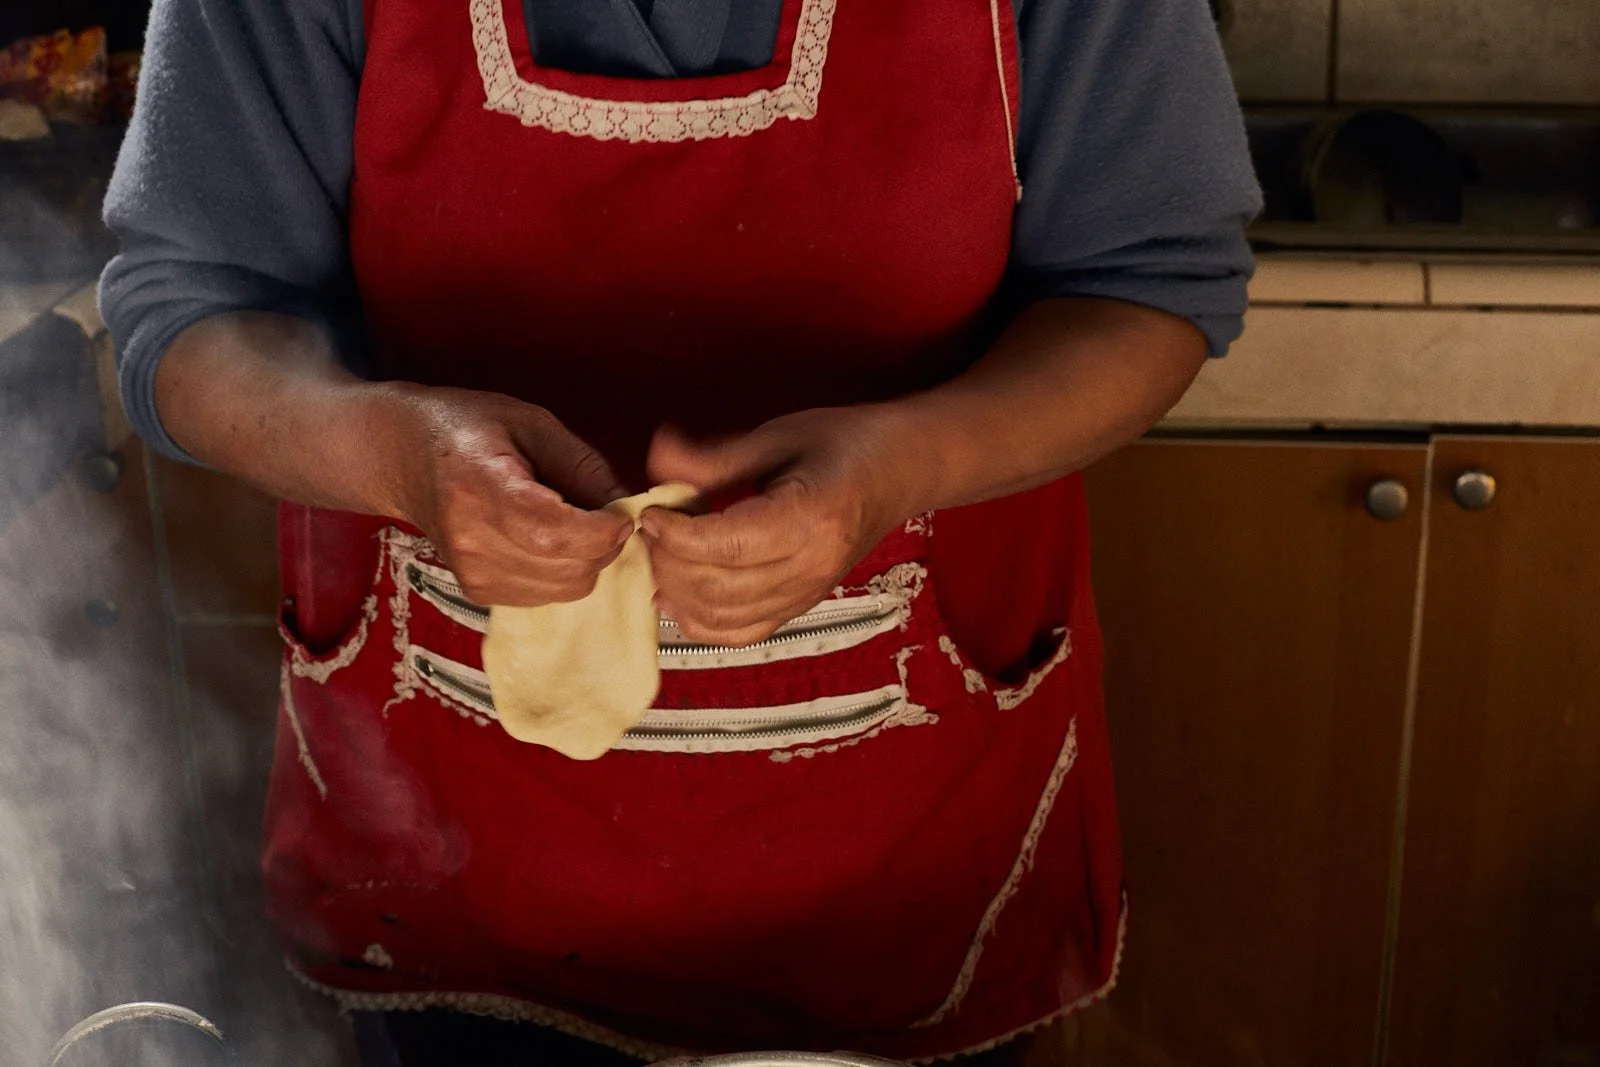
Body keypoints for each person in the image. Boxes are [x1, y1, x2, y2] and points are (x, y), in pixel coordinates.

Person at [100, 0, 1260, 1063]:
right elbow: (192, 311)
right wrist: (393, 455)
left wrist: (903, 467)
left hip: (916, 865)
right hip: (447, 863)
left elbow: (1147, 282)